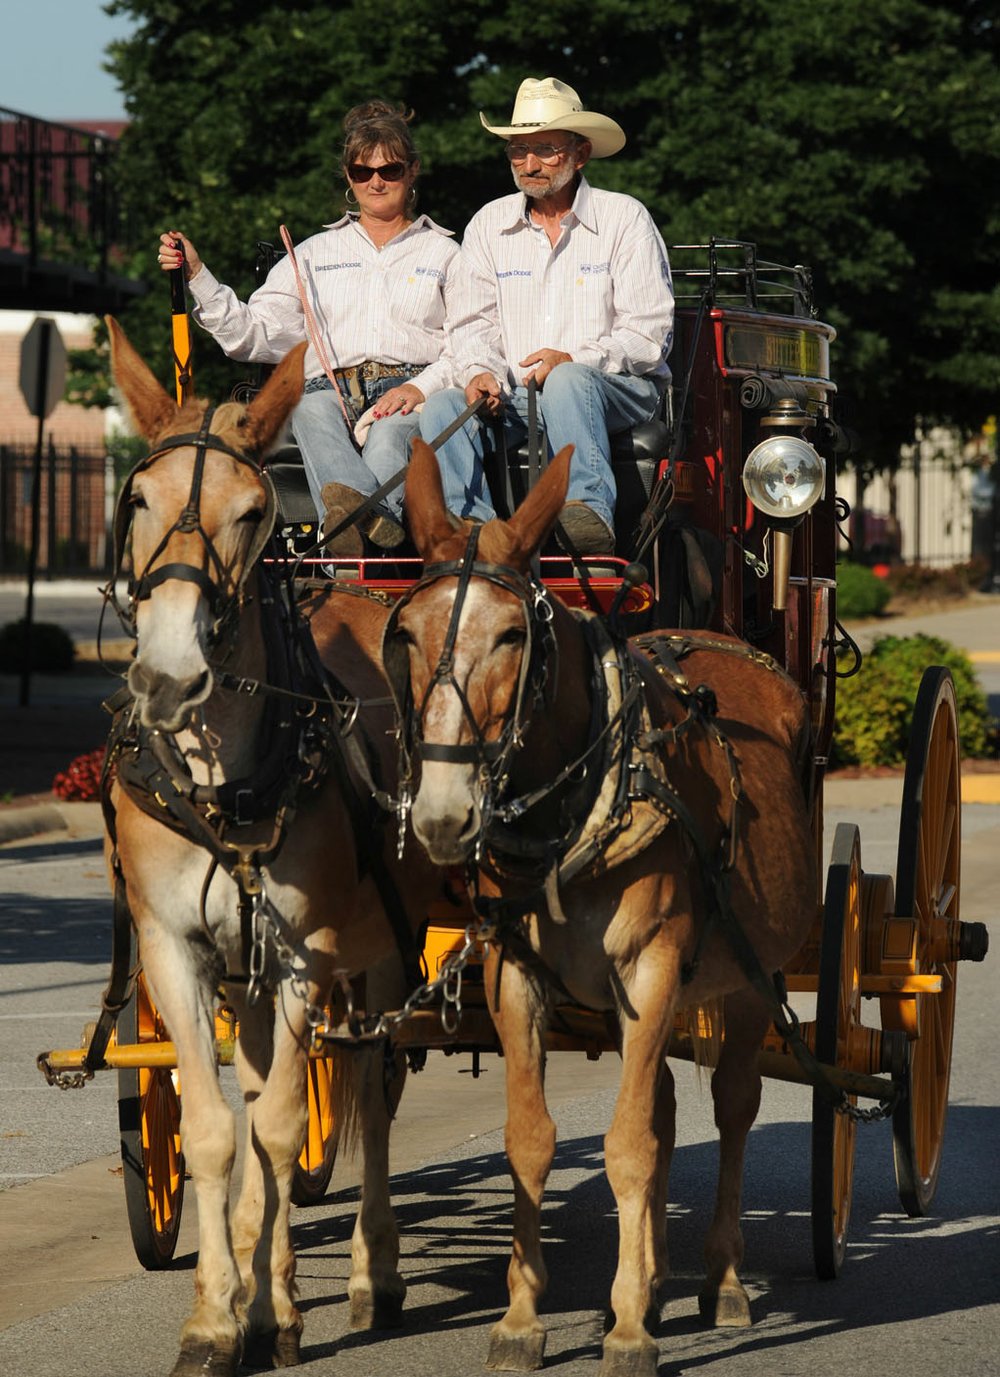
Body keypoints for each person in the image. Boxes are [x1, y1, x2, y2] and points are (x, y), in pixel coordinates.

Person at [158, 100, 460, 556]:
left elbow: (469, 344)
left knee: (385, 440)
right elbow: (250, 336)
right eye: (362, 172)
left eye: (390, 170)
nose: (375, 181)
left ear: (412, 171)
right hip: (329, 393)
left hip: (410, 396)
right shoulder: (312, 254)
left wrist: (420, 389)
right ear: (347, 177)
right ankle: (364, 528)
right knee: (307, 407)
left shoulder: (446, 253)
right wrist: (199, 276)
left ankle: (349, 543)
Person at [418, 77, 674, 555]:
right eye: (518, 150)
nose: (529, 164)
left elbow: (650, 335)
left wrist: (574, 360)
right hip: (516, 397)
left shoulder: (626, 218)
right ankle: (470, 537)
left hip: (615, 388)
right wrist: (480, 374)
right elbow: (471, 326)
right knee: (442, 407)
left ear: (581, 154)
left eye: (545, 150)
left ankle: (588, 512)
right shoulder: (488, 224)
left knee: (568, 381)